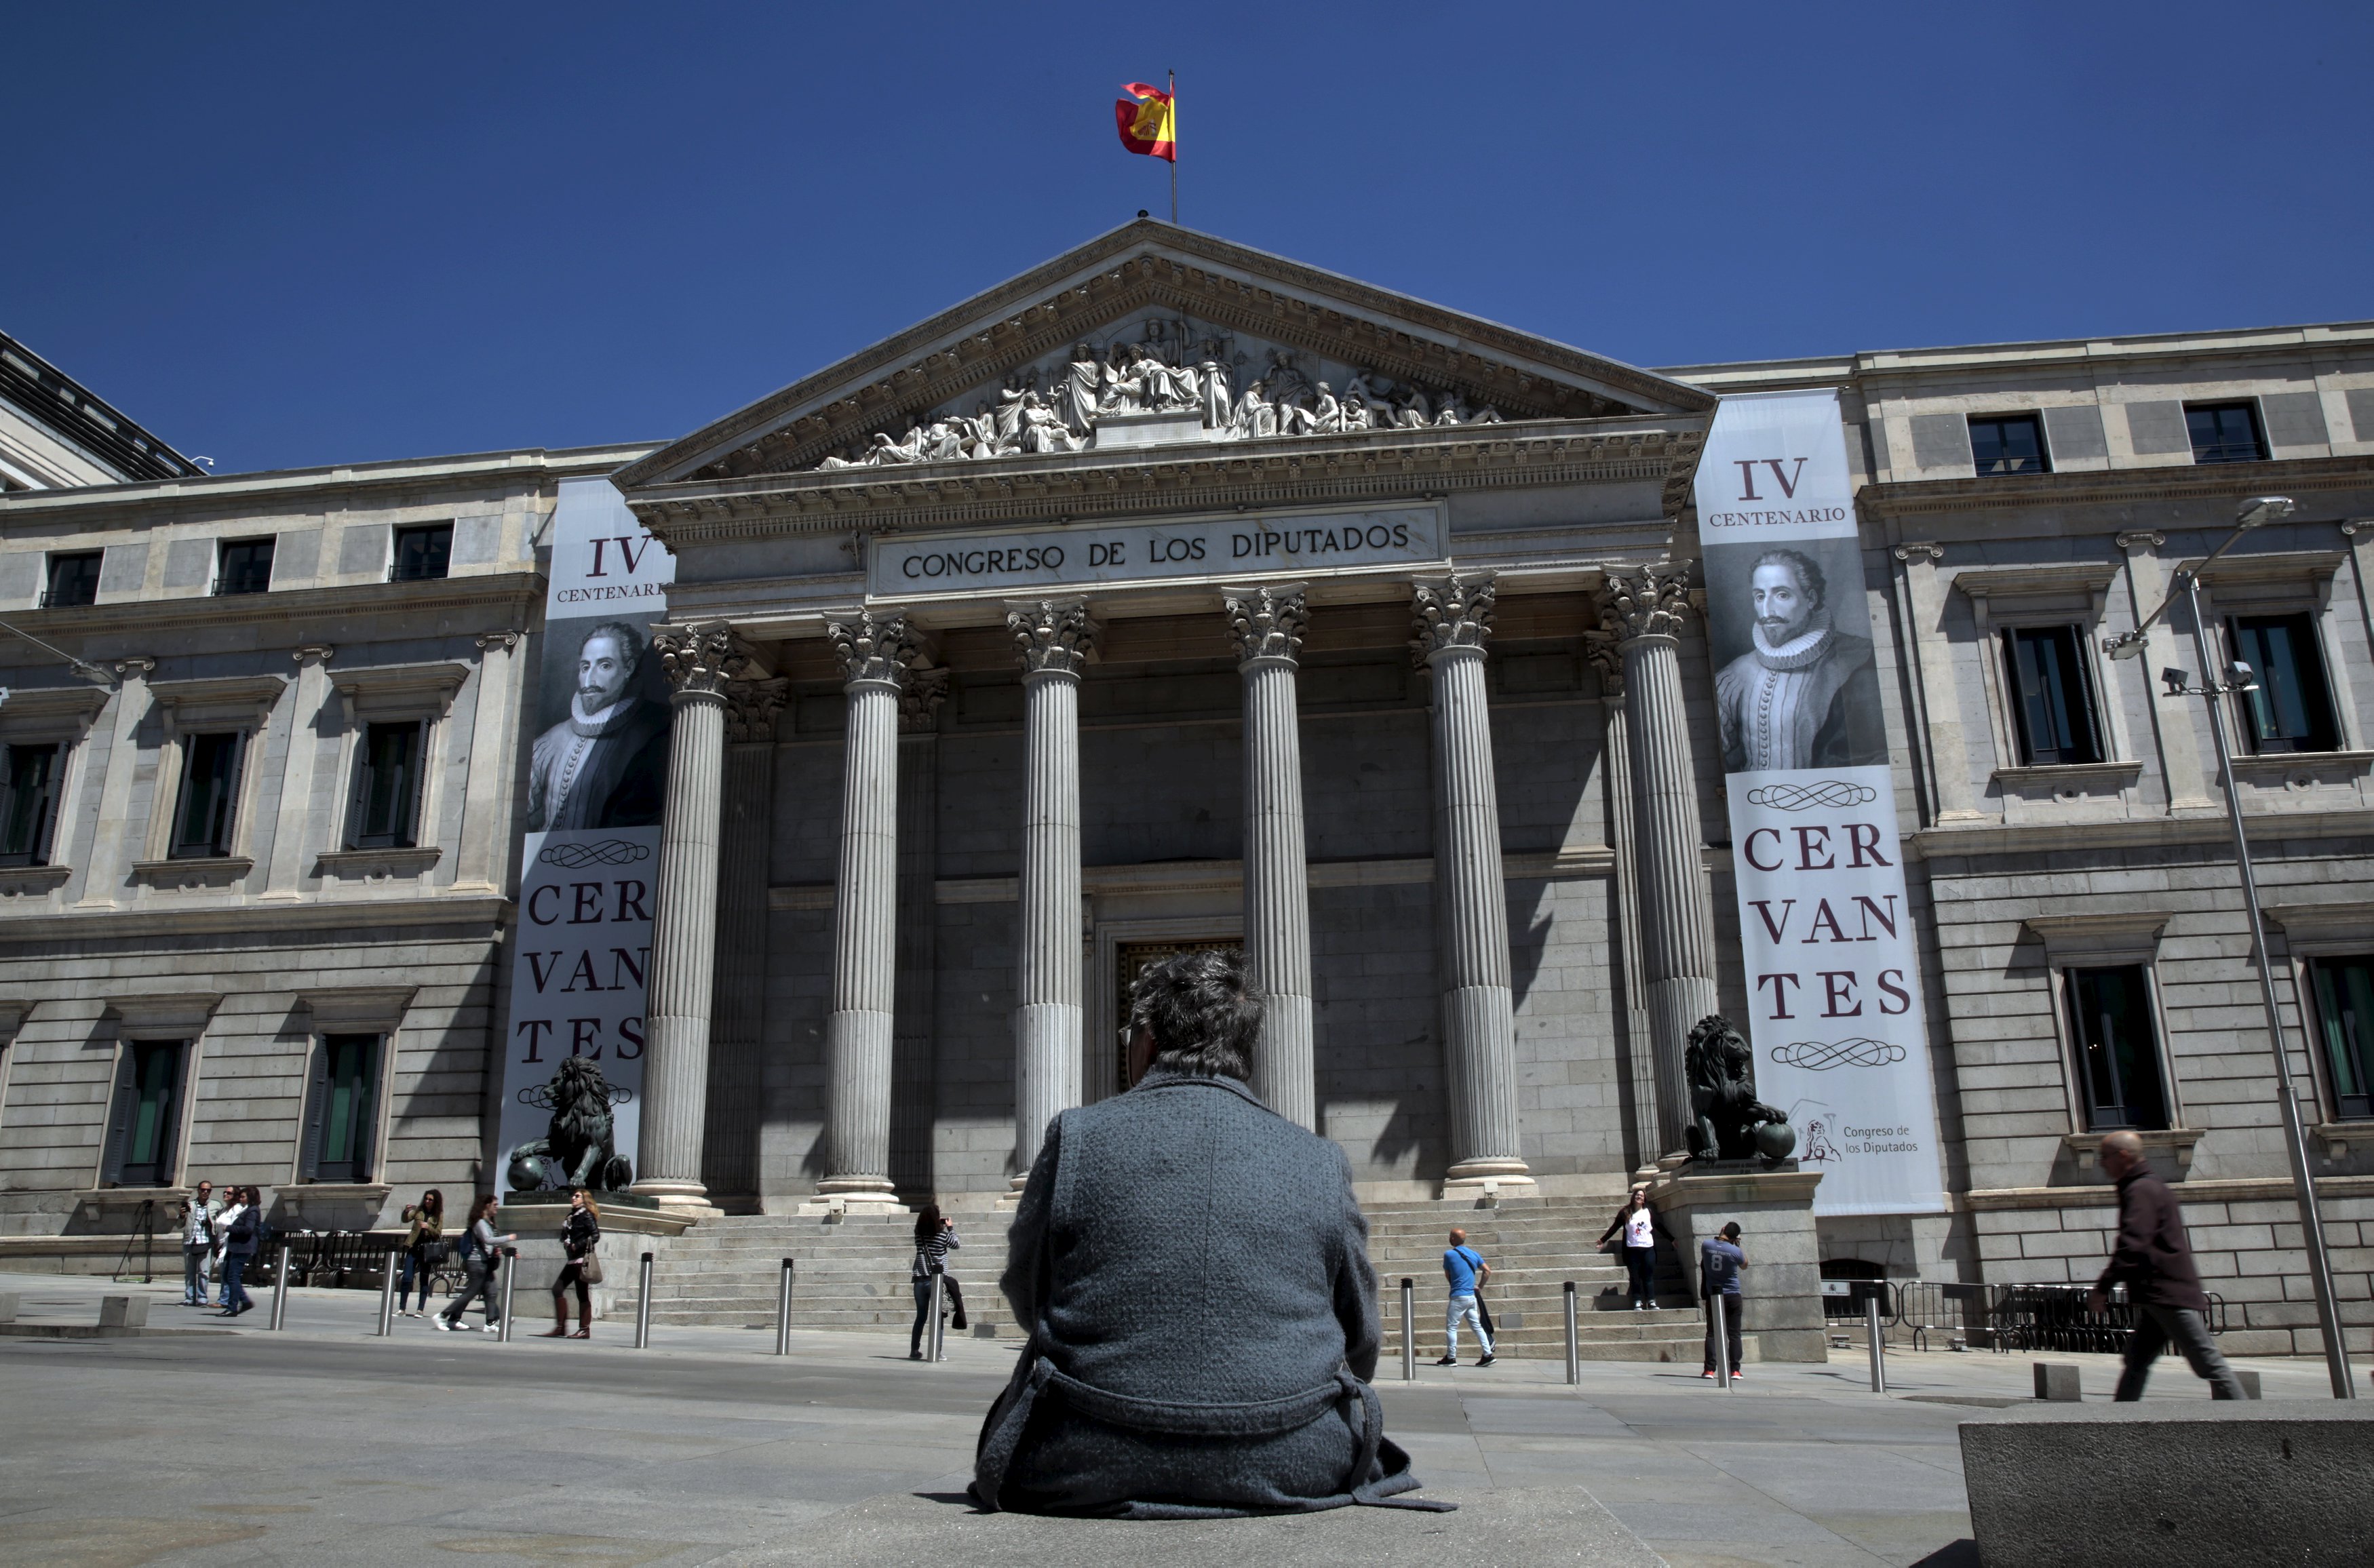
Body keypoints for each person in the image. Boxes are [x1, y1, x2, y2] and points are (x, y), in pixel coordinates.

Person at [973, 948, 1444, 1516]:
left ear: (1146, 1040)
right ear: (1245, 1052)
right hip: (1298, 1456)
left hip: (1083, 1454)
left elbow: (1027, 1291)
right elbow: (1361, 1336)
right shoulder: (1320, 1160)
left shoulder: (1076, 1136)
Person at [2089, 1130, 2245, 1400]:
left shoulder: (2141, 1190)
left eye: (2105, 1157)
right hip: (2157, 1293)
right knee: (2136, 1360)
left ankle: (2248, 1418)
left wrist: (2103, 1287)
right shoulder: (2146, 1186)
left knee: (2208, 1363)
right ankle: (2121, 1420)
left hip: (2165, 1292)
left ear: (2122, 1156)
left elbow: (2133, 1243)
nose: (2101, 1163)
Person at [1713, 547, 1886, 771]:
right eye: (1760, 597)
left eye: (1782, 595)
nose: (1767, 610)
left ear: (1811, 598)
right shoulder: (1736, 674)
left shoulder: (1860, 659)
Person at [525, 621, 670, 831]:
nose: (590, 680)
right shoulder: (550, 741)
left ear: (629, 668)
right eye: (585, 667)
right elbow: (514, 818)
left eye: (605, 666)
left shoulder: (656, 733)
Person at [437, 1194, 517, 1333]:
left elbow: (494, 1241)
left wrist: (506, 1251)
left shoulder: (490, 1223)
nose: (497, 1208)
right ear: (487, 1205)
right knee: (471, 1292)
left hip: (485, 1262)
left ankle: (490, 1322)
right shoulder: (480, 1222)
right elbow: (488, 1240)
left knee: (491, 1292)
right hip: (477, 1262)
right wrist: (508, 1237)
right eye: (495, 1205)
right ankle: (443, 1315)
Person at [543, 1187, 600, 1339]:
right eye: (573, 1196)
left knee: (582, 1294)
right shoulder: (571, 1216)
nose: (573, 1198)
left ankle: (584, 1330)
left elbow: (595, 1235)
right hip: (572, 1260)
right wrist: (566, 1241)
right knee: (557, 1289)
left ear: (584, 1200)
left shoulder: (586, 1215)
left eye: (577, 1196)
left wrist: (577, 1245)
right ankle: (561, 1328)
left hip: (581, 1260)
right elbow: (567, 1234)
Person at [1598, 1185, 1665, 1312]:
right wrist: (1603, 1239)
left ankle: (1651, 1301)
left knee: (1648, 1276)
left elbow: (1659, 1226)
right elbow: (1615, 1227)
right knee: (1635, 1276)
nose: (1639, 1197)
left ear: (1644, 1199)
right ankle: (1637, 1300)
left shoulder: (1648, 1212)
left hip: (1648, 1248)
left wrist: (1672, 1239)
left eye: (1642, 1196)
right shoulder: (1626, 1212)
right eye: (1637, 1195)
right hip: (1632, 1249)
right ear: (1633, 1197)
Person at [910, 1204, 962, 1360]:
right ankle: (937, 1351)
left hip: (920, 1280)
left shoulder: (919, 1236)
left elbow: (926, 1232)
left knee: (921, 1317)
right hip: (937, 1280)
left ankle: (914, 1350)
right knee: (938, 1317)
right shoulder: (942, 1236)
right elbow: (956, 1245)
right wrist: (950, 1228)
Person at [1439, 1228, 1495, 1367]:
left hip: (1458, 1296)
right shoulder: (1474, 1254)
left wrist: (1454, 1285)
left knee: (1452, 1327)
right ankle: (1487, 1354)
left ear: (1452, 1239)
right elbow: (1487, 1271)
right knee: (1477, 1326)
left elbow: (1448, 1274)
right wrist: (1479, 1287)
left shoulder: (1449, 1254)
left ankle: (1451, 1358)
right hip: (1471, 1297)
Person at [1700, 1221, 1746, 1380]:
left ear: (1723, 1229)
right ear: (1735, 1237)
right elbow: (1745, 1265)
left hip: (1714, 1294)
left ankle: (1709, 1369)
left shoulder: (1706, 1245)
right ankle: (1735, 1370)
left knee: (1712, 1333)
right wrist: (1737, 1246)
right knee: (1734, 1334)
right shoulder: (1735, 1251)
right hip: (1733, 1294)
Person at [397, 1189, 445, 1318]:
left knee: (424, 1279)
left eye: (430, 1200)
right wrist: (406, 1211)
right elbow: (406, 1219)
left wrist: (428, 1227)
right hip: (414, 1247)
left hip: (427, 1250)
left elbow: (438, 1233)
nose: (427, 1201)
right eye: (426, 1199)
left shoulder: (438, 1215)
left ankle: (420, 1309)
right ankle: (402, 1308)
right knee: (407, 1278)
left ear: (435, 1202)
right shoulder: (419, 1210)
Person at [176, 1180, 222, 1308]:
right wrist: (182, 1215)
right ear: (198, 1190)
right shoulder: (190, 1205)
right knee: (190, 1272)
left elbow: (220, 1223)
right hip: (190, 1241)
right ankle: (189, 1298)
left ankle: (202, 1298)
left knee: (204, 1272)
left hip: (206, 1242)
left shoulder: (216, 1205)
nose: (205, 1192)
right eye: (203, 1190)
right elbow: (179, 1225)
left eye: (208, 1190)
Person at [218, 1187, 262, 1318]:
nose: (241, 1199)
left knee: (233, 1276)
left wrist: (229, 1228)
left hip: (242, 1247)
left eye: (243, 1197)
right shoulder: (246, 1209)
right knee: (227, 1276)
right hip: (235, 1246)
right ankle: (245, 1301)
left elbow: (248, 1229)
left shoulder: (252, 1211)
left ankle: (232, 1307)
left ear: (250, 1198)